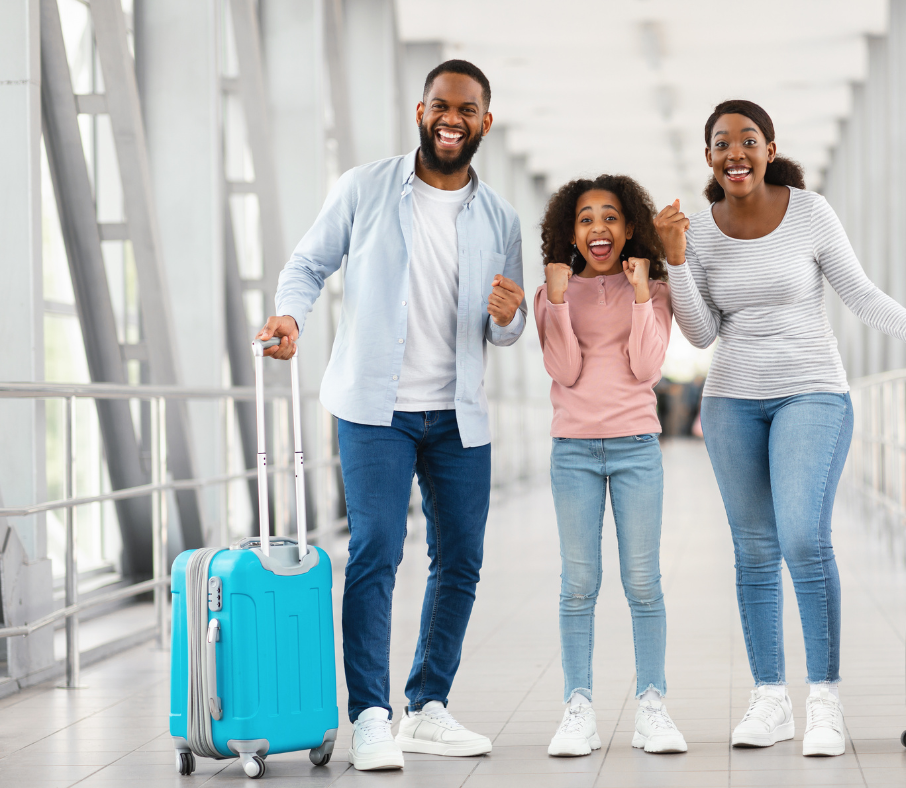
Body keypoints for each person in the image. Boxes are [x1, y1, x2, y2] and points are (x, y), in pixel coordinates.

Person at [654, 100, 906, 758]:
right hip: (731, 402)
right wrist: (677, 260)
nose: (735, 152)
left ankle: (823, 700)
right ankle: (770, 698)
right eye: (722, 143)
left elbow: (860, 294)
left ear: (770, 149)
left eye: (748, 140)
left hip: (811, 392)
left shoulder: (809, 212)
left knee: (803, 537)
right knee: (753, 553)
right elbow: (700, 331)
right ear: (710, 157)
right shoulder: (699, 229)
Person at [256, 60, 526, 771]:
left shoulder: (501, 216)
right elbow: (309, 264)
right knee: (376, 551)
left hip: (459, 416)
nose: (451, 118)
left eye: (466, 109)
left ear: (484, 122)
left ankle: (427, 707)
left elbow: (504, 328)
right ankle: (371, 716)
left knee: (461, 559)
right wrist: (291, 316)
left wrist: (508, 318)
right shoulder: (364, 187)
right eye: (440, 105)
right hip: (376, 410)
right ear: (420, 110)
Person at [533, 176, 686, 756]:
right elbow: (564, 369)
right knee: (579, 585)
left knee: (643, 583)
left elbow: (647, 369)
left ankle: (652, 706)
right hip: (572, 450)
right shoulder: (559, 289)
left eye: (611, 217)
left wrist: (644, 292)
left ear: (630, 228)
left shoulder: (654, 288)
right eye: (585, 219)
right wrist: (553, 298)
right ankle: (578, 708)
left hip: (636, 449)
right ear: (570, 233)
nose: (599, 228)